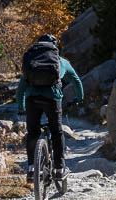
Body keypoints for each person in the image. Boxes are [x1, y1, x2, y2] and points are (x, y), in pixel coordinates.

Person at [17, 33, 84, 184]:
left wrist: (21, 107)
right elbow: (76, 81)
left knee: (33, 132)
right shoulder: (61, 62)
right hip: (52, 99)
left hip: (32, 100)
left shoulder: (32, 61)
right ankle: (60, 169)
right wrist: (79, 98)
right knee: (57, 131)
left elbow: (21, 88)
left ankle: (31, 169)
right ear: (54, 47)